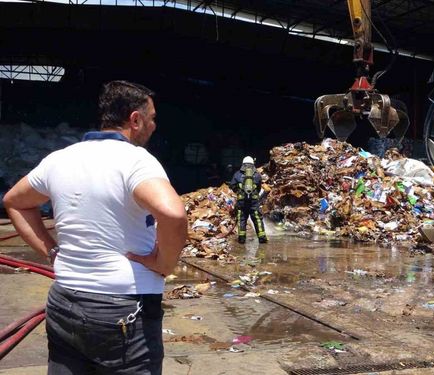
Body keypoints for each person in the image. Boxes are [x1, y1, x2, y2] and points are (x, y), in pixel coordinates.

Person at [2, 80, 187, 374]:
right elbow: (174, 215)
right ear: (135, 120)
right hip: (122, 311)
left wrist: (51, 252)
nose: (154, 126)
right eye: (151, 119)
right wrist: (163, 263)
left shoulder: (60, 159)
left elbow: (15, 201)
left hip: (64, 303)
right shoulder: (137, 161)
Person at [230, 156, 267, 244]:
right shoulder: (257, 174)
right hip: (253, 202)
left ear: (243, 164)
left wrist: (239, 192)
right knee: (257, 218)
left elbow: (232, 186)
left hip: (241, 201)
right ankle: (262, 237)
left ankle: (242, 238)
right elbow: (258, 188)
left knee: (241, 219)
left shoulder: (237, 174)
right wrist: (254, 195)